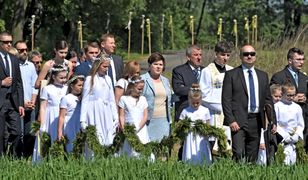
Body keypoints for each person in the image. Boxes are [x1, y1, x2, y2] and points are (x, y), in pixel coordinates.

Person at [222, 45, 277, 163]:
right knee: (238, 152)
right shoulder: (231, 74)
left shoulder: (263, 75)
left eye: (252, 54)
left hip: (256, 120)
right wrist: (230, 120)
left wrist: (273, 121)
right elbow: (226, 100)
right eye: (246, 54)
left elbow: (268, 100)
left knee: (252, 155)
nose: (249, 56)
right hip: (238, 120)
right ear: (241, 56)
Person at [270, 47, 308, 150]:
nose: (301, 62)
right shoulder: (279, 76)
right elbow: (273, 96)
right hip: (284, 122)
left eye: (303, 59)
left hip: (302, 119)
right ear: (290, 61)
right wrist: (292, 98)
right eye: (298, 59)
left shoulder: (305, 78)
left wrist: (305, 99)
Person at [199, 41, 233, 152]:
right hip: (214, 113)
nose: (225, 58)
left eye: (228, 55)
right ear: (216, 54)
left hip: (229, 113)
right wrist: (221, 106)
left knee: (229, 141)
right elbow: (203, 95)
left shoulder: (232, 70)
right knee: (214, 143)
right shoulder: (207, 71)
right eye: (223, 54)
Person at [80, 56, 118, 148]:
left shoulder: (108, 79)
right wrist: (82, 120)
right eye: (104, 67)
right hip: (94, 112)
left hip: (106, 112)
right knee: (96, 137)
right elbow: (85, 100)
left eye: (108, 67)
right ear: (98, 66)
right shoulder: (90, 79)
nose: (106, 69)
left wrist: (115, 116)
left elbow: (111, 99)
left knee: (108, 139)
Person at [0, 31, 25, 157]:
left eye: (10, 42)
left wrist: (21, 104)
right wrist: (2, 83)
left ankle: (12, 157)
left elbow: (19, 83)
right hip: (1, 101)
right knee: (1, 134)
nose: (8, 44)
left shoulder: (14, 59)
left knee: (17, 131)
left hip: (13, 102)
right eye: (5, 42)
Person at [141, 52, 172, 142]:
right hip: (148, 121)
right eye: (155, 64)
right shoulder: (142, 80)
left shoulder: (165, 81)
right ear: (150, 65)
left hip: (164, 121)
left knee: (163, 151)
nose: (158, 67)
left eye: (160, 64)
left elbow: (169, 102)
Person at [15, 40, 38, 158]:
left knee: (31, 133)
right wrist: (23, 102)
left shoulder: (31, 66)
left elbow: (35, 85)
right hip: (19, 105)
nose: (24, 52)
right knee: (20, 133)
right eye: (21, 50)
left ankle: (28, 157)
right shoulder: (14, 66)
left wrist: (33, 101)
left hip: (31, 105)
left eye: (26, 50)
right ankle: (19, 157)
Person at [179, 84, 212, 166]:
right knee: (190, 154)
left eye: (197, 103)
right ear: (189, 100)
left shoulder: (205, 110)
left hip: (201, 137)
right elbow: (180, 125)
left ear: (201, 100)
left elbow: (208, 124)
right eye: (193, 103)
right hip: (189, 137)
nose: (195, 105)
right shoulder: (185, 111)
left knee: (201, 154)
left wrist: (207, 131)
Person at [118, 75, 150, 157]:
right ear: (132, 87)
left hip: (141, 129)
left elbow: (145, 116)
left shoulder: (143, 99)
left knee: (142, 151)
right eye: (139, 89)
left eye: (142, 89)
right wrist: (124, 128)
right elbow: (121, 115)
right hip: (129, 129)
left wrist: (138, 127)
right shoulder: (124, 99)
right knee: (130, 152)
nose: (140, 91)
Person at [172, 45, 204, 121]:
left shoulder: (206, 71)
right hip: (185, 112)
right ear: (188, 57)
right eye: (196, 55)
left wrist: (187, 87)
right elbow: (179, 90)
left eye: (200, 55)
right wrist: (198, 88)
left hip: (203, 113)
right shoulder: (179, 71)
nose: (199, 57)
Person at [275, 83, 304, 165]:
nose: (291, 97)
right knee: (283, 160)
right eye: (288, 95)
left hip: (294, 138)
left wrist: (297, 134)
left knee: (293, 160)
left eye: (293, 95)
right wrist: (284, 135)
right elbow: (275, 123)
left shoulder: (297, 107)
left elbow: (300, 124)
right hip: (281, 138)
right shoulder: (277, 106)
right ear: (282, 94)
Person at [57, 75, 84, 153]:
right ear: (72, 86)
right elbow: (62, 116)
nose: (81, 87)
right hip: (70, 124)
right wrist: (59, 132)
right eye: (79, 85)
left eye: (82, 85)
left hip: (80, 123)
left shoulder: (83, 99)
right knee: (71, 145)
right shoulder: (66, 98)